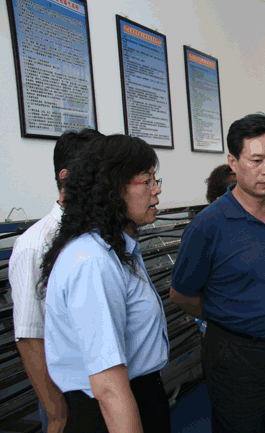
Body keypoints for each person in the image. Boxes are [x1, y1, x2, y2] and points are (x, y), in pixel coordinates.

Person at [170, 113, 265, 433]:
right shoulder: (208, 226)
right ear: (233, 162)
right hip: (238, 357)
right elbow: (181, 294)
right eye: (256, 160)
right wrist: (231, 319)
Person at [39, 134, 170, 433]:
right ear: (113, 188)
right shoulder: (92, 260)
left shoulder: (115, 249)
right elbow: (109, 388)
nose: (157, 190)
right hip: (111, 411)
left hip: (139, 394)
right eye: (147, 180)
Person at [9, 129, 102, 433]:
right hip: (69, 395)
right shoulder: (34, 245)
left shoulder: (103, 233)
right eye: (98, 170)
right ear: (66, 176)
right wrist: (57, 413)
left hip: (107, 384)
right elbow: (30, 337)